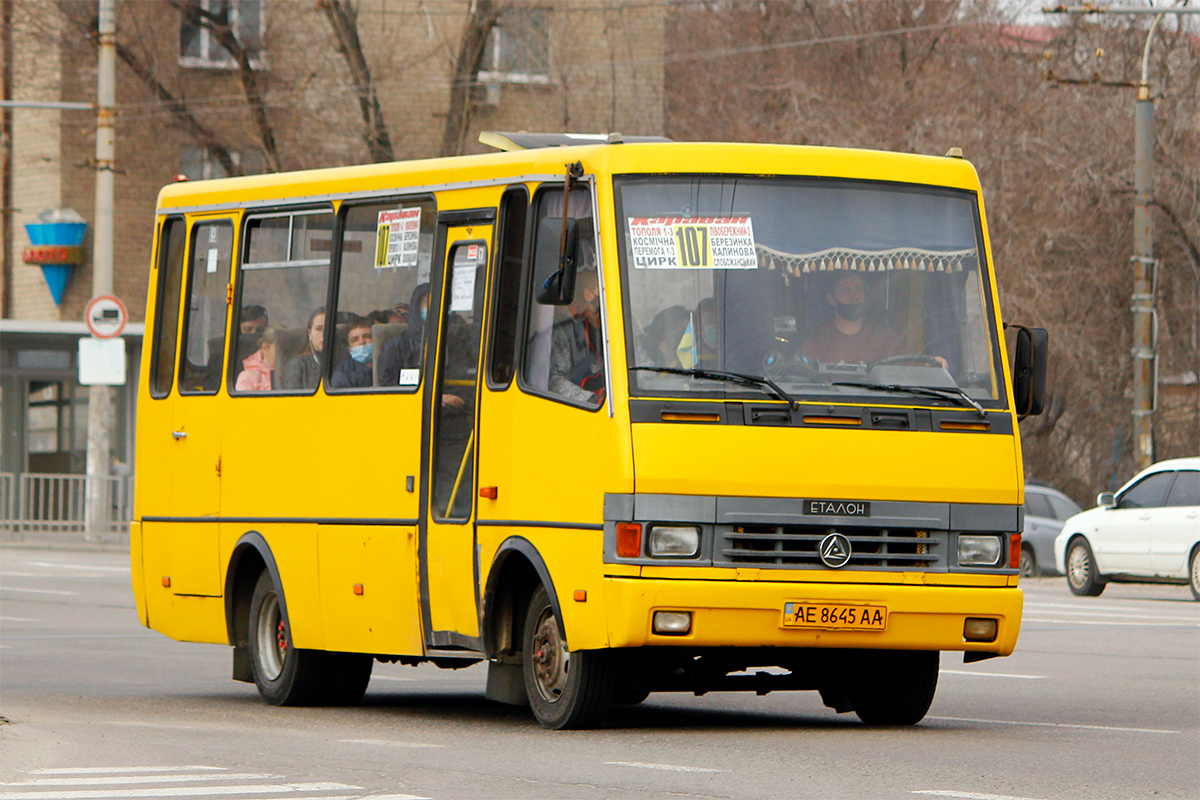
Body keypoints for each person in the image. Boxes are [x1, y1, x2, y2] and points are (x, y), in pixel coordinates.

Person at [801, 272, 901, 365]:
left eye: (859, 290)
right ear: (831, 300)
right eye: (846, 291)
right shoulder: (819, 339)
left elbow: (905, 371)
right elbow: (806, 372)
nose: (854, 296)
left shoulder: (886, 337)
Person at [548, 269, 605, 404]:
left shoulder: (617, 326)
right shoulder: (565, 331)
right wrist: (591, 400)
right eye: (602, 290)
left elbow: (642, 364)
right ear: (588, 295)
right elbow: (556, 381)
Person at [280, 307, 325, 390]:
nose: (324, 334)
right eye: (318, 329)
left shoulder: (343, 363)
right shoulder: (297, 365)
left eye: (328, 329)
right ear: (309, 333)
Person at [639, 305, 691, 369]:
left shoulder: (693, 354)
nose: (685, 337)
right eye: (682, 330)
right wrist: (669, 359)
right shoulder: (645, 357)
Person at [330, 317, 374, 389]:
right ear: (349, 349)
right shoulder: (343, 374)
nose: (361, 342)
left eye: (367, 336)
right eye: (355, 340)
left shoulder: (389, 363)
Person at [235, 327, 276, 391]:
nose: (285, 357)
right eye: (279, 351)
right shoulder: (247, 377)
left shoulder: (292, 372)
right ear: (265, 348)